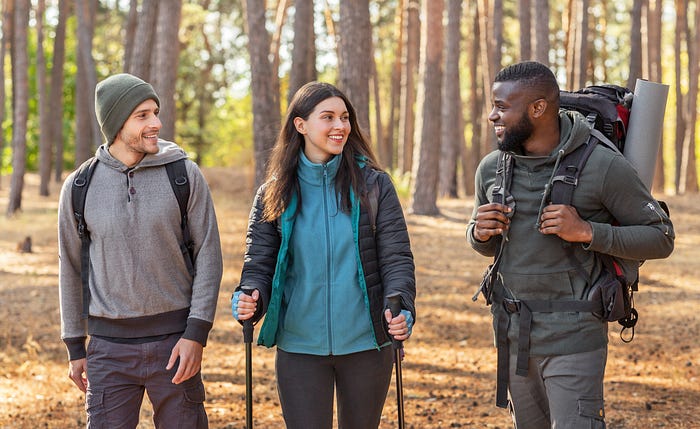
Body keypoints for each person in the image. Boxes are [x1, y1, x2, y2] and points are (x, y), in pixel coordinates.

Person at [467, 61, 674, 428]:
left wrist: (589, 232)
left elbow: (661, 237)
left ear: (538, 108)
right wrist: (479, 233)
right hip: (514, 337)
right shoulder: (491, 168)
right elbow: (489, 247)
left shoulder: (601, 165)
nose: (491, 116)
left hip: (575, 339)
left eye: (501, 107)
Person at [231, 81, 416, 429]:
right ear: (300, 125)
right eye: (327, 117)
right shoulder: (274, 193)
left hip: (366, 346)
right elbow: (259, 262)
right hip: (300, 346)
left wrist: (403, 305)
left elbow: (396, 259)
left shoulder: (374, 186)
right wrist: (248, 296)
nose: (339, 126)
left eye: (344, 117)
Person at [58, 73, 223, 428]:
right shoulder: (79, 186)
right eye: (143, 115)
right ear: (117, 123)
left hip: (175, 346)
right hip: (108, 352)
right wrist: (75, 346)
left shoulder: (184, 174)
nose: (156, 123)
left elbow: (209, 254)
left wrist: (196, 334)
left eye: (155, 112)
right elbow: (70, 269)